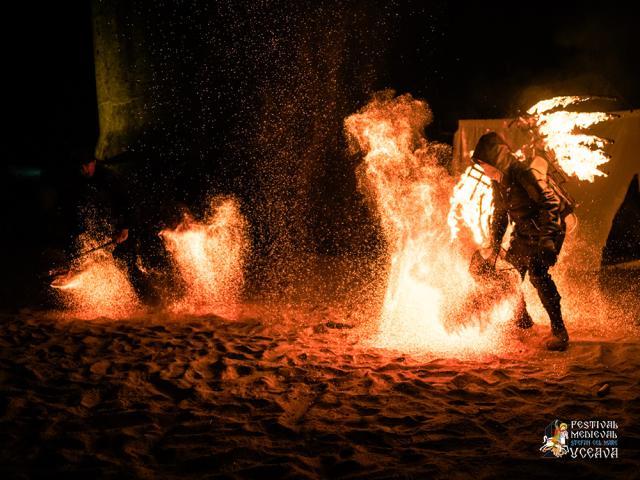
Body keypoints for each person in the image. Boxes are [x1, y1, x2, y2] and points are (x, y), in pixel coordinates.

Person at [471, 132, 569, 351]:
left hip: (548, 230)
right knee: (512, 274)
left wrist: (547, 241)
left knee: (538, 273)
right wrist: (495, 242)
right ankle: (523, 322)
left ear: (497, 159)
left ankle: (560, 332)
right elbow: (500, 213)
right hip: (525, 232)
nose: (484, 170)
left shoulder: (523, 173)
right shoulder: (499, 182)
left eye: (485, 164)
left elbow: (549, 204)